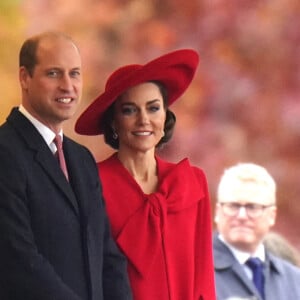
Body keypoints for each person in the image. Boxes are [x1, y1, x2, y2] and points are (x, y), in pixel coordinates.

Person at [0, 31, 132, 300]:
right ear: (25, 77)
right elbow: (18, 259)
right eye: (53, 74)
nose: (67, 85)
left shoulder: (82, 159)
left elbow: (106, 254)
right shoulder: (5, 152)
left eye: (75, 73)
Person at [75, 49, 216, 300]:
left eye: (153, 108)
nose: (144, 120)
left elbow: (203, 276)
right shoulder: (91, 184)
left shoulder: (191, 183)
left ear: (165, 116)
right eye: (129, 110)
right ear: (113, 122)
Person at [213, 162, 300, 300]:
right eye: (233, 206)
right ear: (218, 212)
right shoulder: (193, 273)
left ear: (272, 215)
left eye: (253, 207)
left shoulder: (293, 280)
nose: (241, 216)